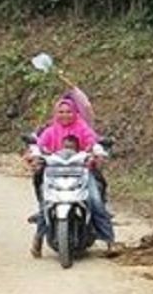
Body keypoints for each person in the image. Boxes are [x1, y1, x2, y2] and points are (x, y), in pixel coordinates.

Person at [29, 96, 115, 257]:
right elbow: (38, 147)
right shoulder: (50, 131)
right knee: (45, 204)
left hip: (82, 172)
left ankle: (109, 240)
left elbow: (94, 143)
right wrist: (34, 157)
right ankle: (38, 238)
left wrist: (98, 154)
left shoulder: (83, 128)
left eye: (69, 111)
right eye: (61, 112)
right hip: (55, 174)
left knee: (95, 201)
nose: (65, 115)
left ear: (75, 112)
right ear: (56, 113)